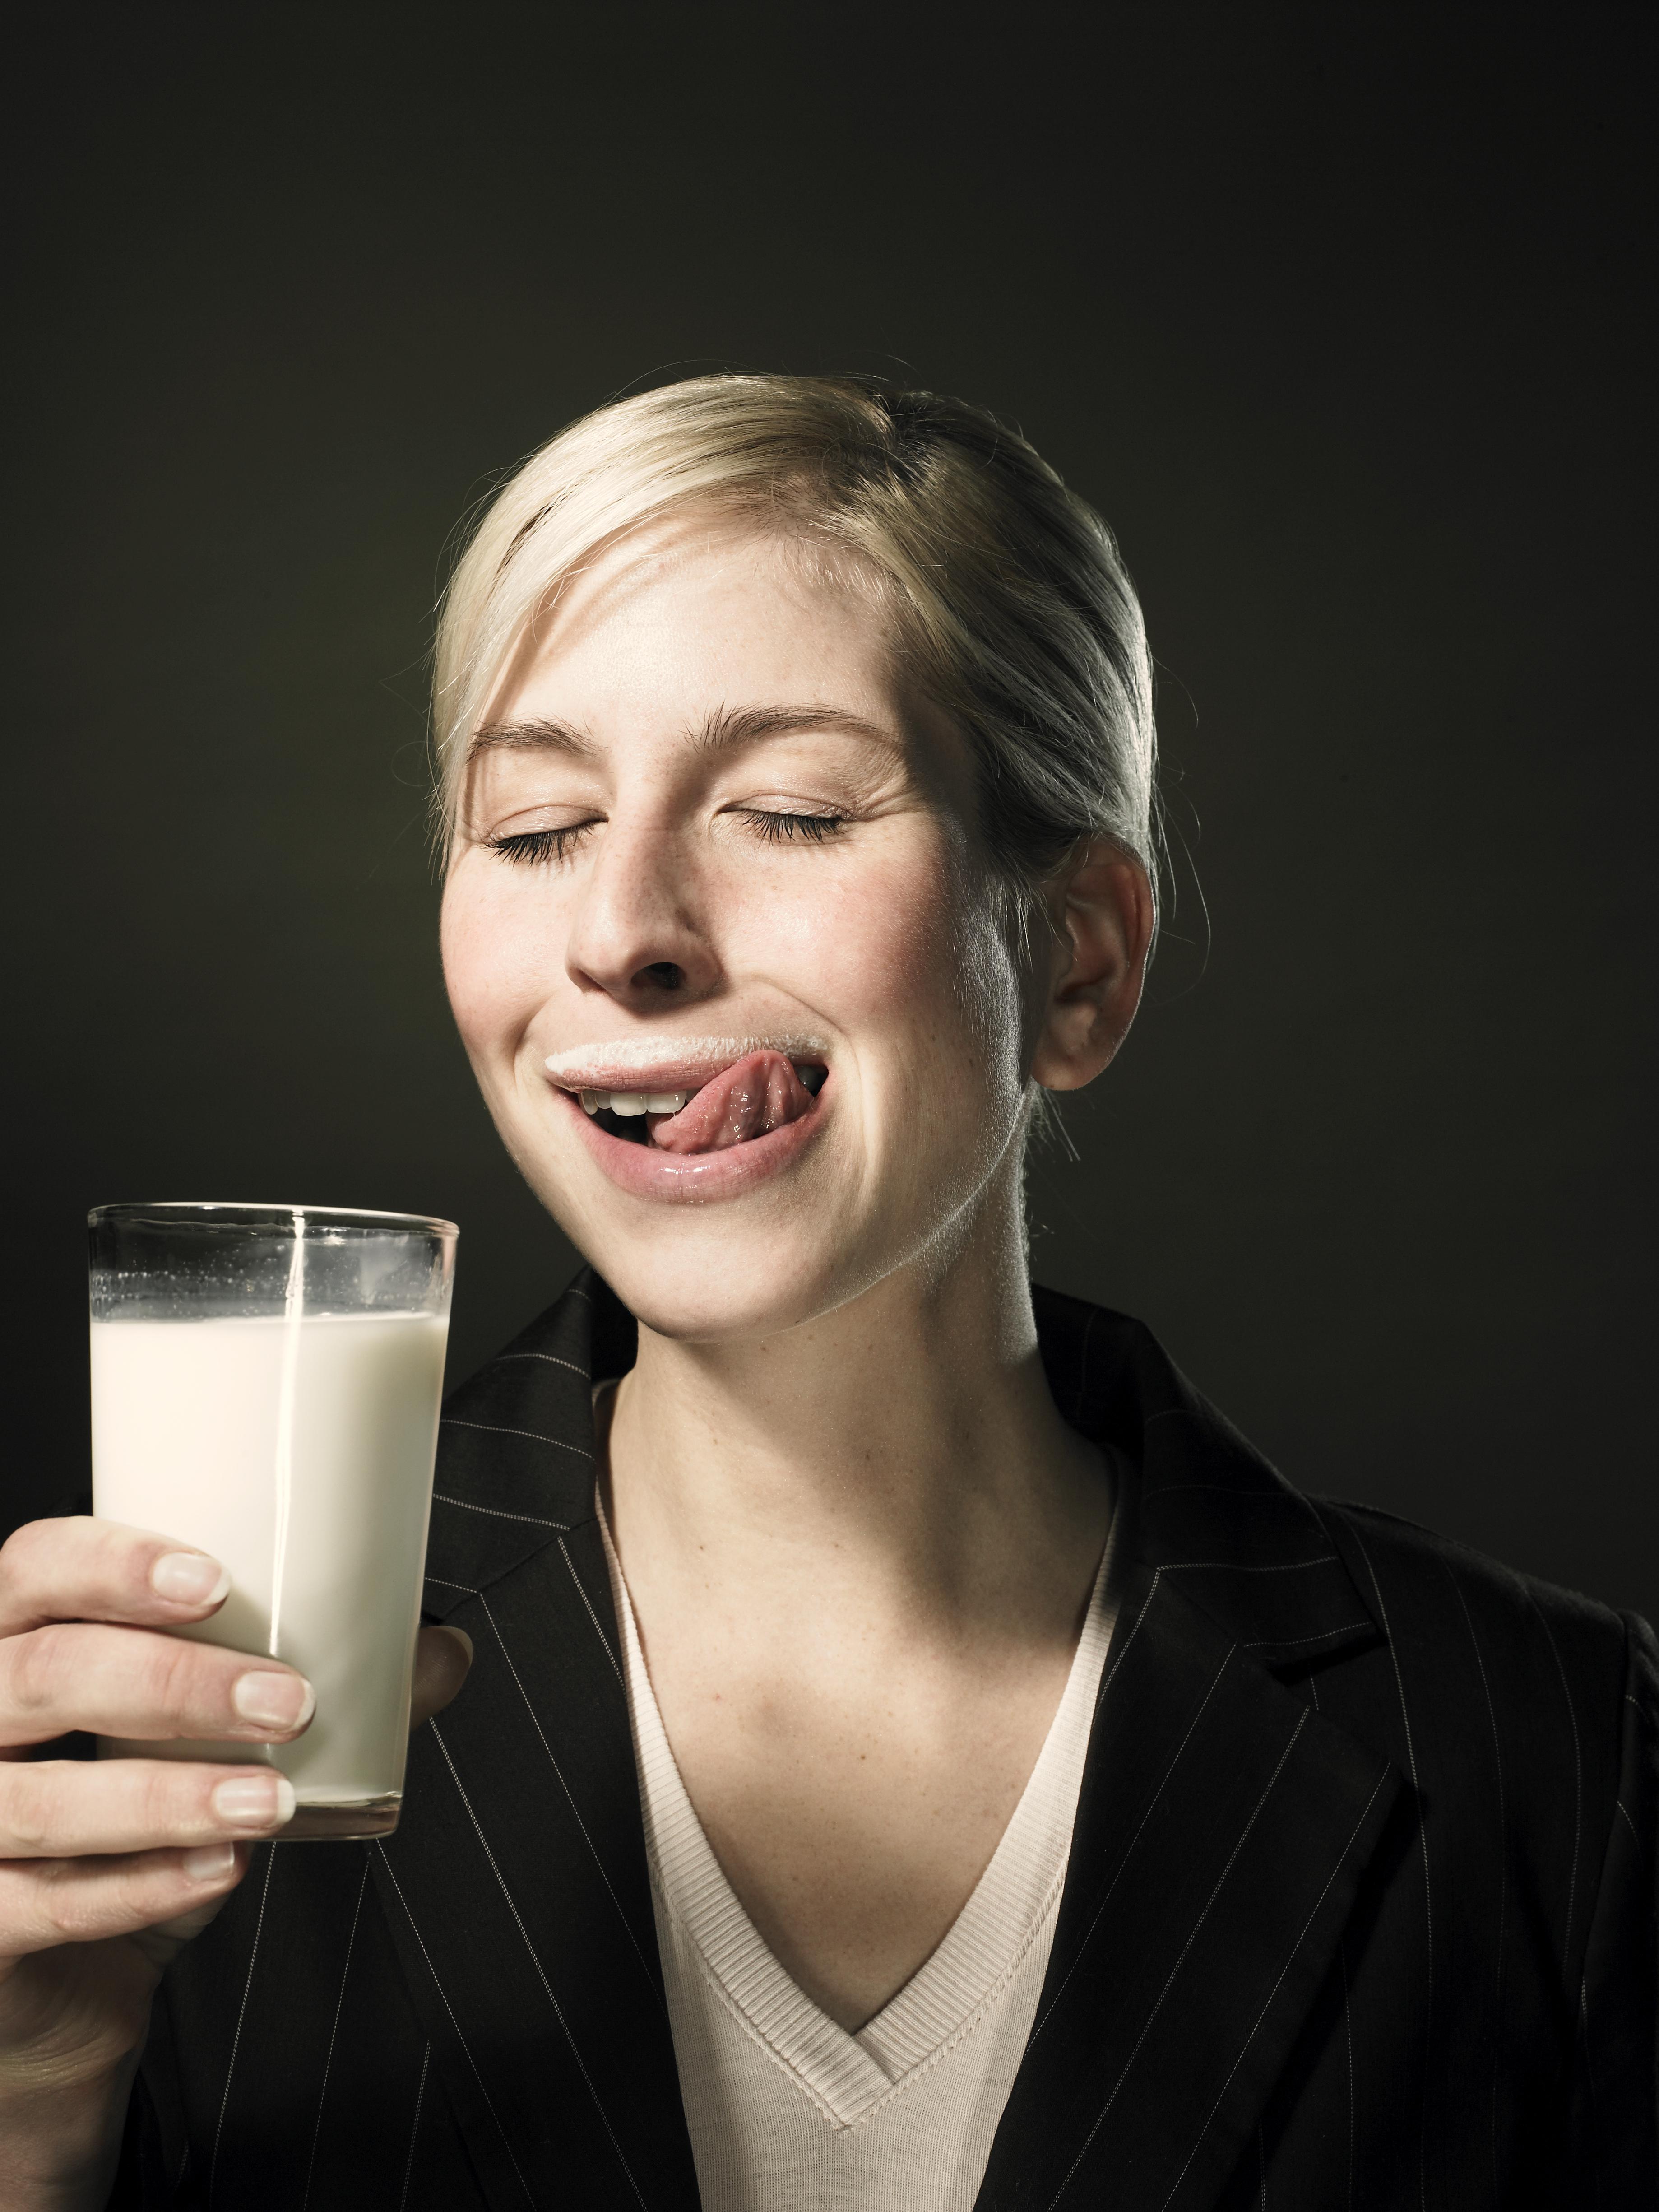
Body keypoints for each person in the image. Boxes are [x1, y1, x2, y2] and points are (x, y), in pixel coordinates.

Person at [0, 376, 1651, 2212]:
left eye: (786, 810)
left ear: (1079, 961)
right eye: (536, 824)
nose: (622, 925)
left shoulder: (1552, 1758)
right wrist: (33, 2104)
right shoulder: (164, 1717)